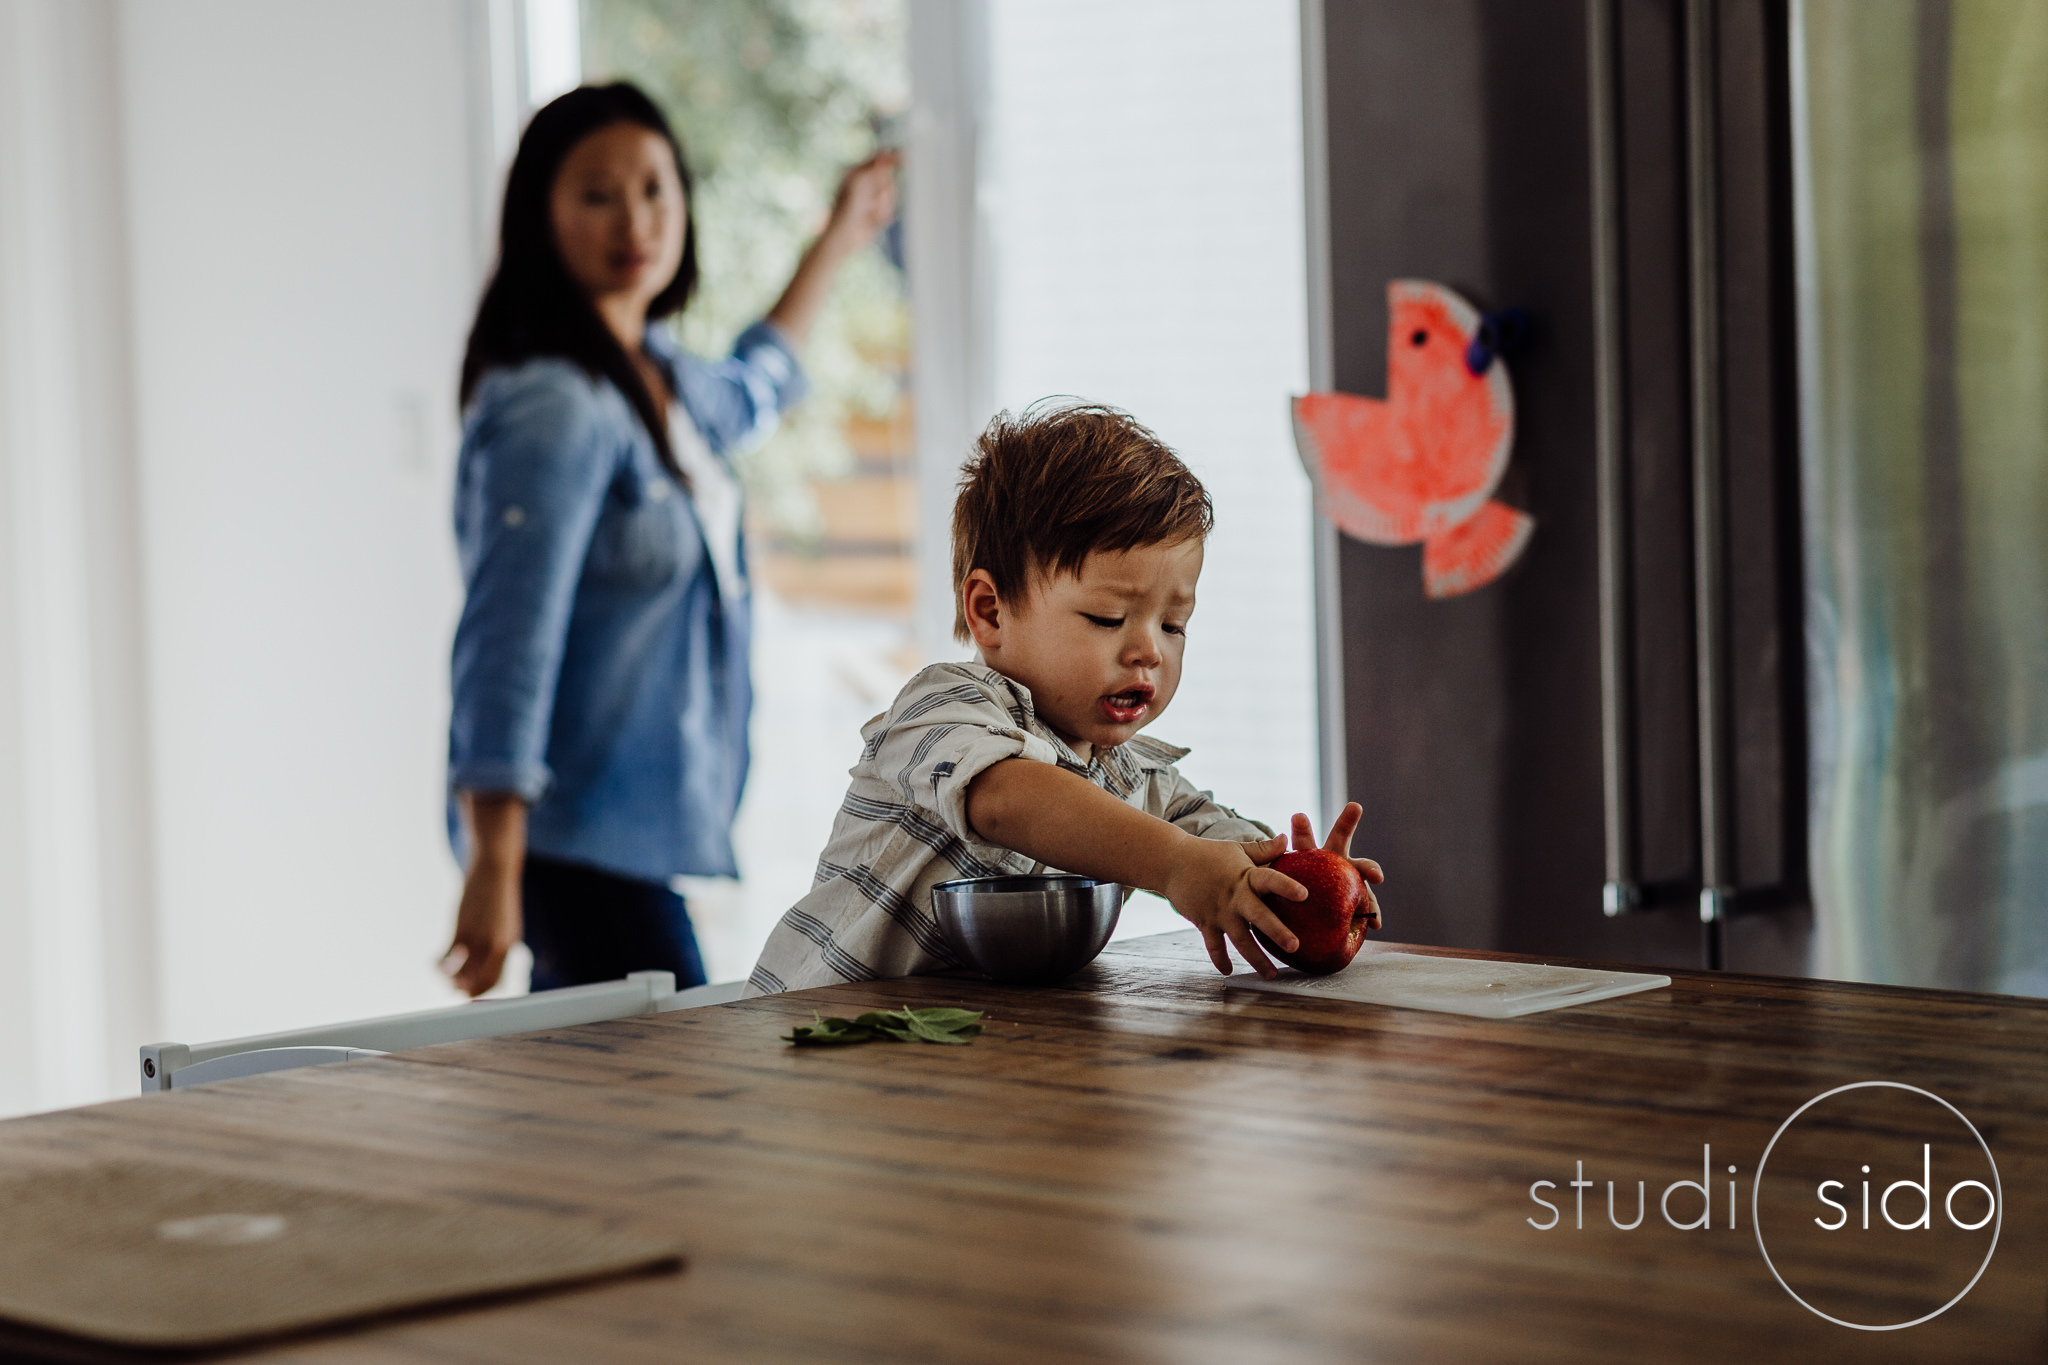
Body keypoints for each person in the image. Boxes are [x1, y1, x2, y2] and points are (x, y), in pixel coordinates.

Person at [443, 82, 897, 997]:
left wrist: (840, 238)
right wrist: (493, 862)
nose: (635, 219)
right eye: (597, 193)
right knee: (673, 1099)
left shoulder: (662, 382)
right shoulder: (556, 407)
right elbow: (507, 640)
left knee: (610, 1121)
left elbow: (758, 384)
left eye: (655, 189)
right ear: (542, 216)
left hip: (633, 844)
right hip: (572, 849)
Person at [745, 402, 1383, 996]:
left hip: (951, 1061)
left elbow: (1215, 849)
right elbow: (1007, 798)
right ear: (991, 612)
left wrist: (1290, 885)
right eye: (1108, 618)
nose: (1148, 652)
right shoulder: (944, 706)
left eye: (1173, 624)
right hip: (813, 1034)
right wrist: (1177, 864)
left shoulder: (1132, 776)